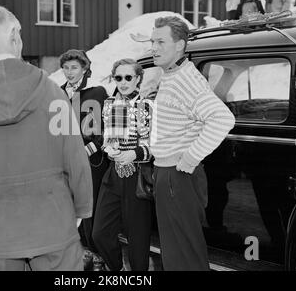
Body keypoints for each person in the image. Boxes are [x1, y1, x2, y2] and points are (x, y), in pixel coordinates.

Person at [0, 6, 93, 271]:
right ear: (15, 36)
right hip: (53, 222)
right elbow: (75, 156)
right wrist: (81, 207)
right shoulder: (52, 92)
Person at [149, 16, 235, 271]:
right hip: (169, 173)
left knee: (184, 255)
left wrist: (189, 158)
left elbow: (222, 118)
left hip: (178, 175)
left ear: (179, 46)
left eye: (160, 42)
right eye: (152, 41)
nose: (153, 47)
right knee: (177, 253)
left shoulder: (185, 79)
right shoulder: (172, 75)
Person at [92, 59, 155, 271]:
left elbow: (152, 147)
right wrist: (107, 148)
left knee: (138, 240)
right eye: (118, 77)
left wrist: (132, 154)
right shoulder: (109, 104)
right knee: (99, 232)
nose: (124, 82)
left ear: (138, 79)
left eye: (129, 77)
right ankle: (117, 270)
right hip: (113, 175)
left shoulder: (145, 105)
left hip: (136, 176)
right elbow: (108, 138)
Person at [60, 49, 109, 270]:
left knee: (92, 205)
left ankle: (98, 252)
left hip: (92, 159)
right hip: (66, 160)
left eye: (74, 68)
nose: (69, 72)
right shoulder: (58, 93)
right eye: (66, 67)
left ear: (85, 68)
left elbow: (105, 127)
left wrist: (90, 148)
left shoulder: (96, 92)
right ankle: (83, 250)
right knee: (73, 205)